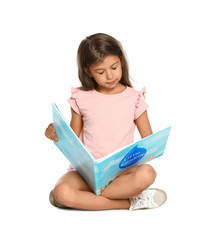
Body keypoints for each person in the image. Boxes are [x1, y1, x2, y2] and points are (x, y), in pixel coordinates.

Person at [45, 33, 167, 211]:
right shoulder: (81, 97)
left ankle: (84, 198)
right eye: (101, 72)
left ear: (121, 62)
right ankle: (129, 202)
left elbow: (149, 141)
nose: (110, 76)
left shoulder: (134, 98)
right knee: (61, 191)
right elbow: (72, 139)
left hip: (122, 173)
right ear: (88, 71)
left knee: (148, 173)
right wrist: (55, 132)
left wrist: (131, 161)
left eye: (114, 67)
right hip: (85, 173)